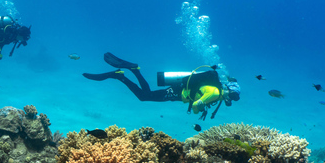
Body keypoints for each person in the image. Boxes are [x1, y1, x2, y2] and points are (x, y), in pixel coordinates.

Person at [83, 52, 240, 120]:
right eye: (232, 96)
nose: (230, 99)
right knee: (144, 97)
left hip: (178, 93)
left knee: (146, 95)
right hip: (178, 92)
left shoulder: (216, 91)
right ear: (229, 91)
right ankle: (124, 75)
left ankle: (130, 72)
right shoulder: (215, 93)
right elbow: (195, 105)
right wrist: (199, 109)